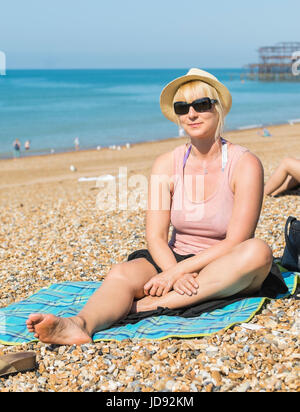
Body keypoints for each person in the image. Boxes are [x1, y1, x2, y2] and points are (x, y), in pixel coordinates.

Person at [26, 68, 276, 345]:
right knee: (121, 273)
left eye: (202, 104)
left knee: (258, 252)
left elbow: (237, 241)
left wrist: (178, 274)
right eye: (183, 108)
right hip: (173, 256)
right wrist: (173, 269)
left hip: (224, 263)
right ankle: (79, 323)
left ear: (218, 109)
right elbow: (156, 237)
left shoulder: (245, 164)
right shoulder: (166, 164)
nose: (192, 114)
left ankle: (144, 307)